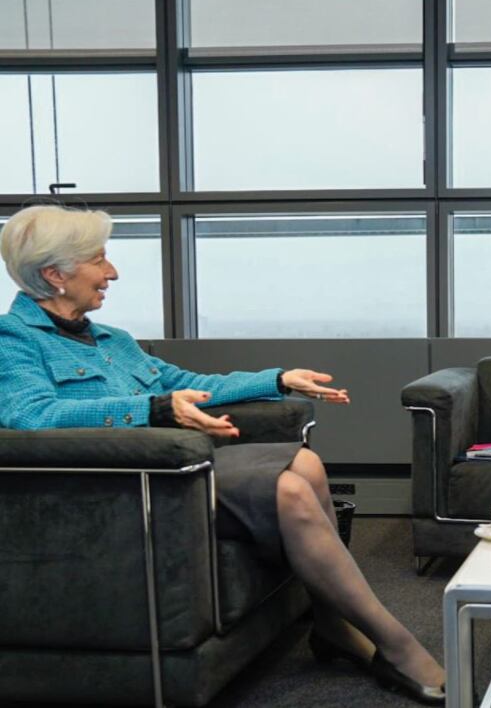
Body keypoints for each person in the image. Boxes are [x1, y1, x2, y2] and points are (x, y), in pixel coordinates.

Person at [0, 205, 445, 705]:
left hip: (181, 468)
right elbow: (32, 416)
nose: (113, 273)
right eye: (99, 260)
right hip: (128, 492)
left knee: (306, 463)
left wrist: (277, 379)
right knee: (293, 490)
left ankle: (331, 624)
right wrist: (153, 408)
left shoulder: (112, 340)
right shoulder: (11, 339)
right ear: (54, 274)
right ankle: (395, 644)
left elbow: (191, 385)